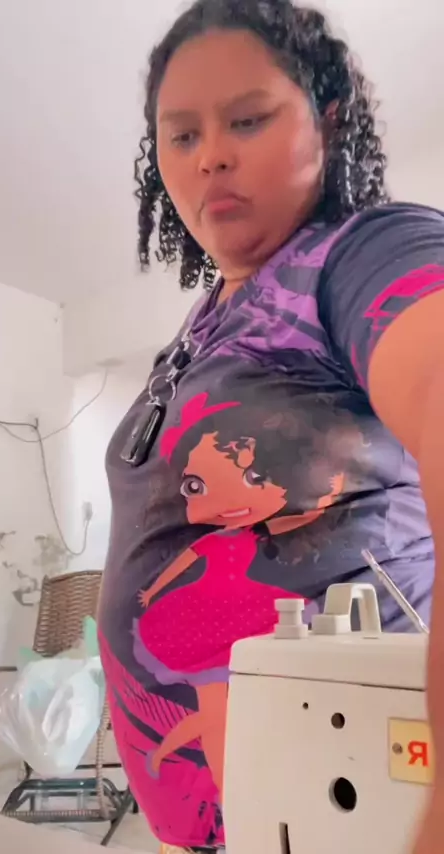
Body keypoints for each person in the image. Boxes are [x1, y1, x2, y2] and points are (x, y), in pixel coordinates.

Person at [98, 1, 444, 852]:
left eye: (248, 119)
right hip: (215, 830)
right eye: (182, 135)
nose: (211, 154)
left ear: (328, 119)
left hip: (352, 812)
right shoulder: (203, 324)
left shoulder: (362, 255)